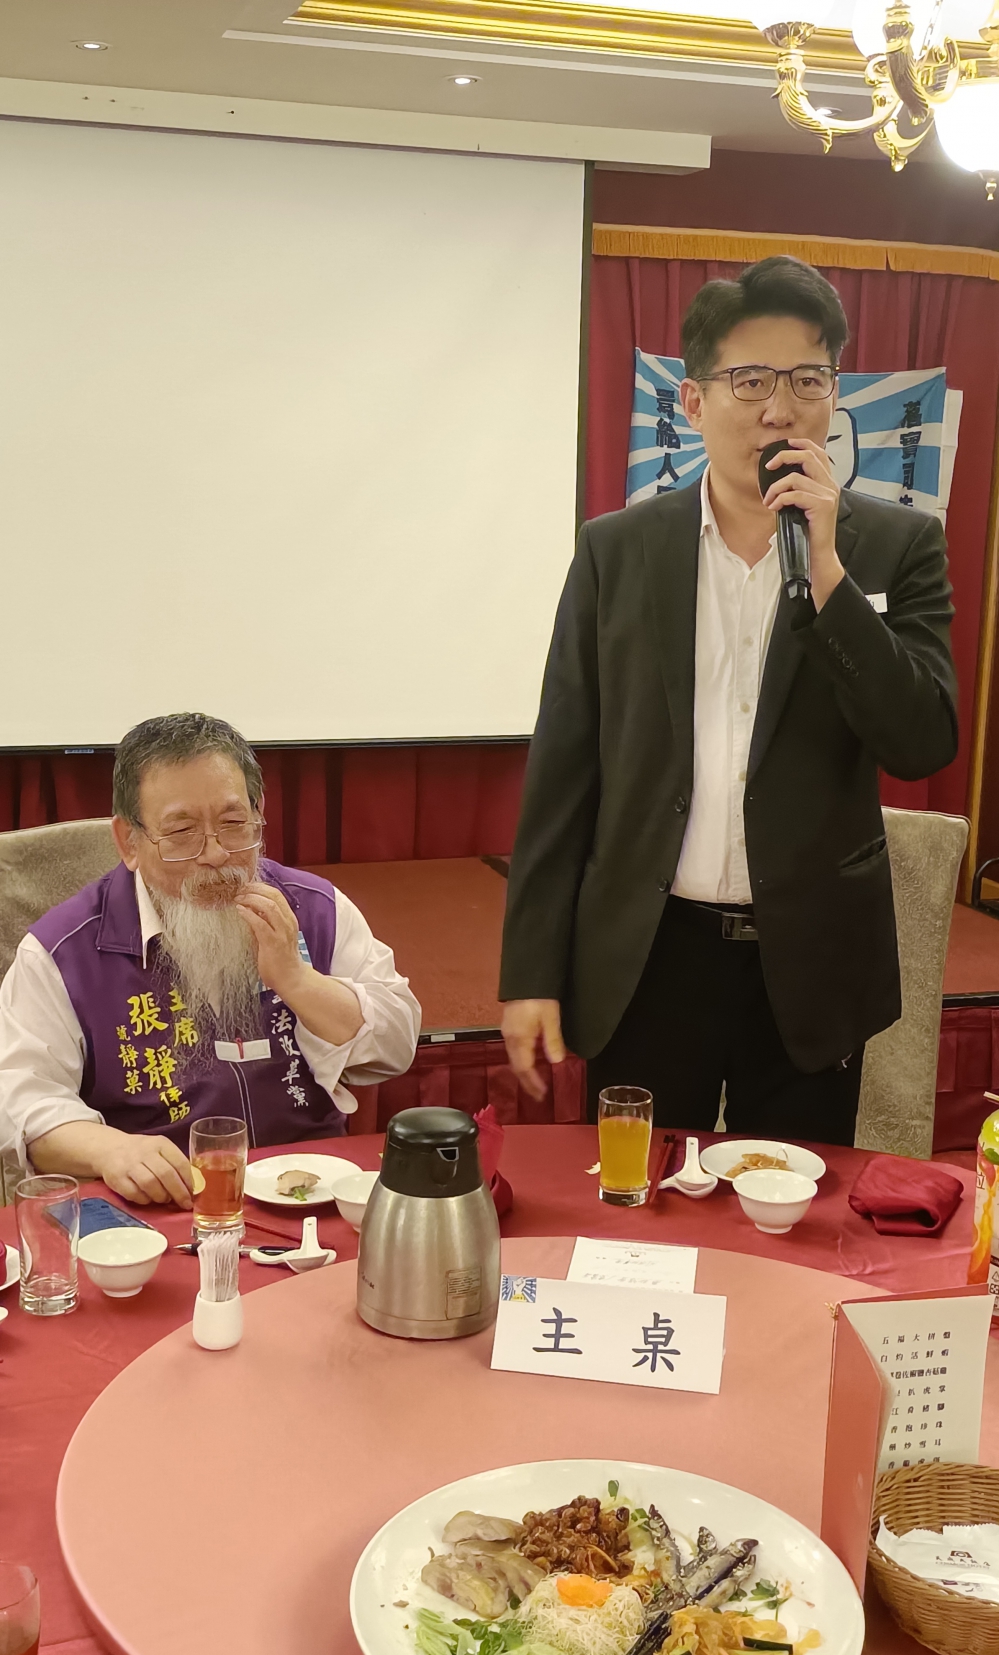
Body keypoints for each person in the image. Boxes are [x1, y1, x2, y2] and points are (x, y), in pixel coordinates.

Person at [499, 256, 958, 1145]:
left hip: (811, 961)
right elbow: (564, 768)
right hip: (648, 951)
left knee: (790, 1207)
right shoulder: (615, 552)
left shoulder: (897, 547)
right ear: (693, 401)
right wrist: (529, 969)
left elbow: (921, 741)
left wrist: (827, 576)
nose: (778, 408)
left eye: (806, 380)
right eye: (749, 380)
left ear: (833, 396)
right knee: (634, 1202)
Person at [0, 713, 420, 1206]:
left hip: (309, 1192)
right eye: (182, 832)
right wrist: (111, 1150)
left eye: (234, 824)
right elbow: (21, 1100)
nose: (216, 854)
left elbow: (396, 1045)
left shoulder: (314, 908)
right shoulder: (61, 951)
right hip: (160, 1206)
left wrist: (298, 980)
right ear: (129, 842)